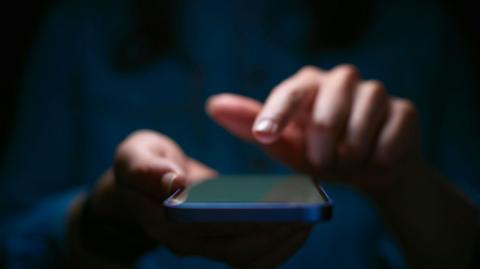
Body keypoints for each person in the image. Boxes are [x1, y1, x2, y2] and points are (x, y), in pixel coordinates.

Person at [1, 0, 479, 268]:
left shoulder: (418, 27)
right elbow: (15, 241)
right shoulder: (83, 24)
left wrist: (399, 182)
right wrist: (109, 215)